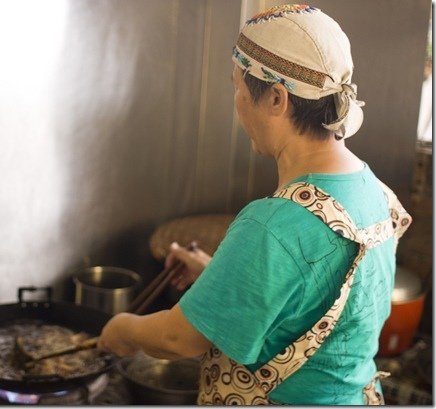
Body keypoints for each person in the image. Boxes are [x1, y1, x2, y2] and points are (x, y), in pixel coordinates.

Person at [98, 4, 412, 405]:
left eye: (238, 90)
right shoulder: (371, 190)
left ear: (277, 99)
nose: (238, 105)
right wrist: (218, 276)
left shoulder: (274, 224)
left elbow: (179, 339)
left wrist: (122, 329)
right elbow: (307, 296)